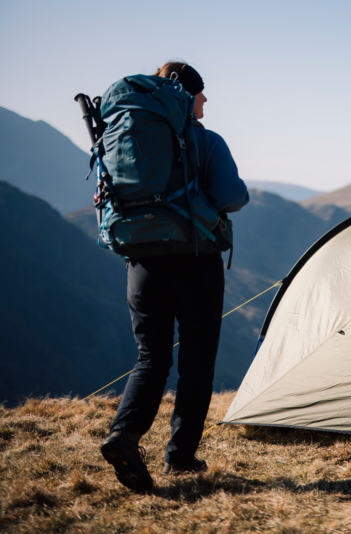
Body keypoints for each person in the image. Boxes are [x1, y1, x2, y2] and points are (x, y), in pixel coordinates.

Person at [100, 61, 249, 492]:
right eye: (202, 93)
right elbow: (231, 197)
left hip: (141, 264)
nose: (206, 101)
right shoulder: (205, 140)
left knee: (151, 359)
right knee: (197, 362)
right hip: (195, 260)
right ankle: (180, 459)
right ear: (188, 94)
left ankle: (124, 435)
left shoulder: (126, 137)